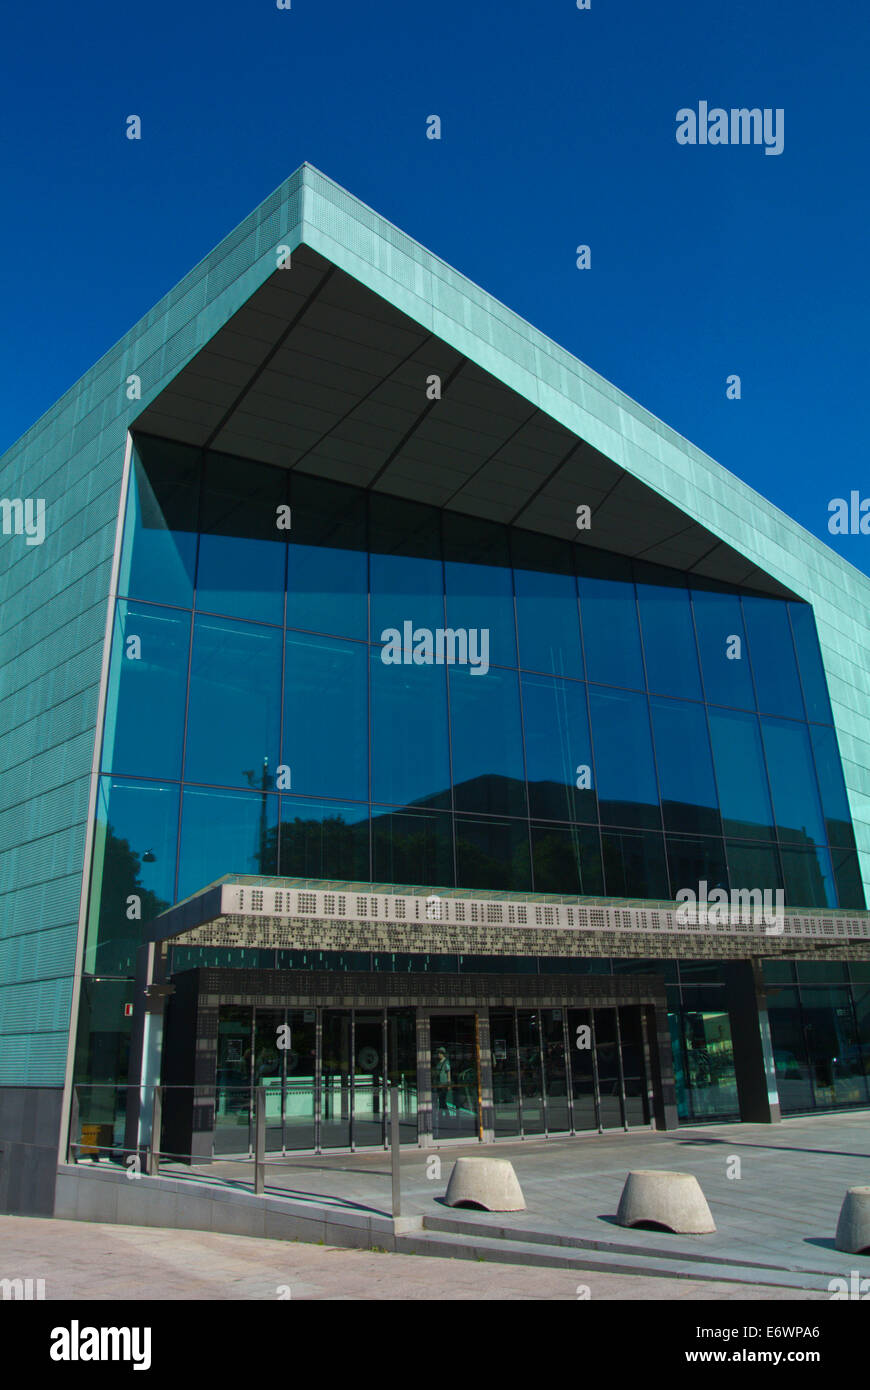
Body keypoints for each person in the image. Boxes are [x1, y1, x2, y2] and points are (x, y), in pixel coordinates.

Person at [433, 1047, 451, 1112]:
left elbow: (448, 1072)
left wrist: (449, 1084)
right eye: (438, 1053)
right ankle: (443, 1115)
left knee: (442, 1100)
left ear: (443, 1054)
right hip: (438, 1084)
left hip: (444, 1084)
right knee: (441, 1100)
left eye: (440, 1053)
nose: (438, 1054)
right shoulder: (439, 1062)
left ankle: (445, 1115)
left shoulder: (446, 1062)